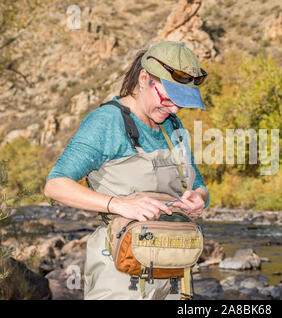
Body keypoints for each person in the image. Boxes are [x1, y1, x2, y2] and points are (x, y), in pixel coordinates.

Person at [44, 41, 210, 300]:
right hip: (121, 276)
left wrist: (199, 197)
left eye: (181, 103)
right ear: (144, 78)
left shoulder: (173, 128)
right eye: (168, 99)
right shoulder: (107, 123)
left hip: (174, 274)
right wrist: (119, 204)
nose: (175, 109)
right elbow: (55, 185)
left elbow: (198, 184)